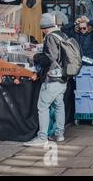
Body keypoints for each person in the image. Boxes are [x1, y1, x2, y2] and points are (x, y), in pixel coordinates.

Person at [24, 13, 69, 146]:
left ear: (44, 28)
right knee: (59, 105)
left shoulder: (50, 37)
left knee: (42, 106)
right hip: (63, 76)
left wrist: (35, 56)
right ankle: (59, 134)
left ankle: (42, 137)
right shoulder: (63, 35)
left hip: (53, 77)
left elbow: (50, 57)